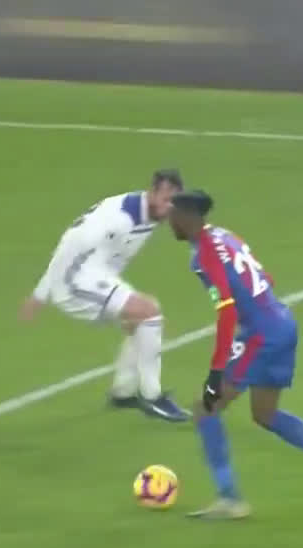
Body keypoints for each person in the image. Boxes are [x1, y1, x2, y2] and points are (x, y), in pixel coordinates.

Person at [168, 189, 303, 520]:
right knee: (265, 414)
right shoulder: (224, 234)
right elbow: (266, 278)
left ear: (187, 215)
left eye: (173, 214)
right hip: (282, 322)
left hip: (260, 336)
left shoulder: (202, 258)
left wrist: (219, 364)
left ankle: (230, 499)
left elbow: (226, 310)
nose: (169, 221)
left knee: (205, 408)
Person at [19, 169, 188, 422]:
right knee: (149, 313)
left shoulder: (149, 214)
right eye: (165, 200)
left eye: (174, 202)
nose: (169, 208)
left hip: (97, 273)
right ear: (151, 192)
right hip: (73, 283)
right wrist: (40, 294)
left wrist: (118, 294)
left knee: (143, 314)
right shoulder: (118, 219)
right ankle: (152, 398)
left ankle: (123, 392)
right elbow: (70, 244)